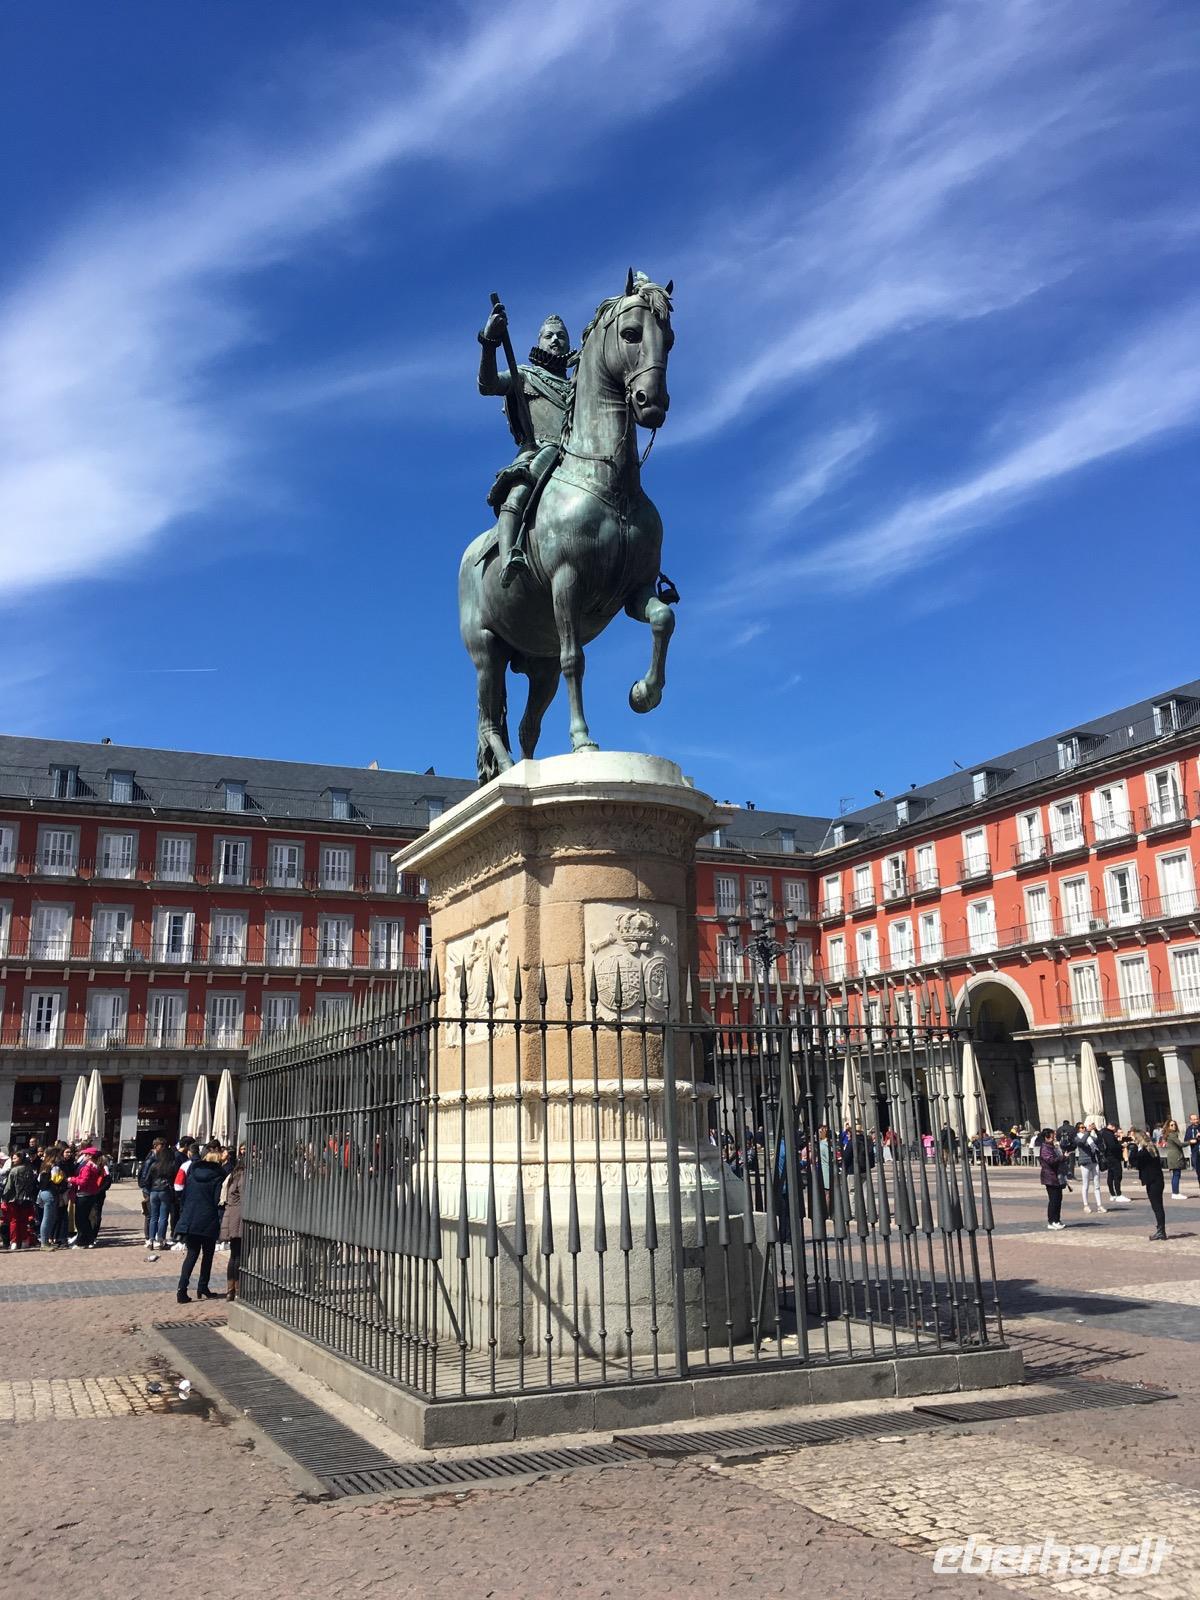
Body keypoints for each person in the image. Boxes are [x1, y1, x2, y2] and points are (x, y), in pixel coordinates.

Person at [477, 300, 574, 588]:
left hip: (578, 454)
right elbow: (488, 384)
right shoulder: (524, 376)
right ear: (540, 342)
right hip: (540, 451)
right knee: (519, 492)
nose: (556, 340)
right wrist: (490, 341)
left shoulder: (581, 385)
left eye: (561, 336)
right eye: (549, 335)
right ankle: (510, 556)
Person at [176, 1145, 232, 1303]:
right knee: (207, 1255)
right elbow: (217, 1201)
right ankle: (202, 1286)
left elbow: (184, 1196)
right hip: (208, 1219)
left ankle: (182, 1288)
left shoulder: (193, 1174)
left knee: (191, 1255)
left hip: (191, 1219)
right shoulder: (217, 1177)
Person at [1126, 1130, 1168, 1240]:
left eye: (1134, 1138)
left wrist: (1132, 1149)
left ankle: (1161, 1231)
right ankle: (1161, 1229)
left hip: (1153, 1181)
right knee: (1158, 1206)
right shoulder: (1152, 1148)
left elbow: (1134, 1163)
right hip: (1157, 1180)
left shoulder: (1144, 1151)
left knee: (1157, 1207)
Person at [67, 1146, 106, 1248]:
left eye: (86, 1154)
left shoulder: (88, 1167)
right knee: (85, 1219)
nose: (84, 1156)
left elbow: (83, 1181)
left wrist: (72, 1179)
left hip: (83, 1195)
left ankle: (82, 1242)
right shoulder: (95, 1166)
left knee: (80, 1220)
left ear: (90, 1156)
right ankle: (89, 1240)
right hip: (90, 1194)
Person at [219, 1150, 245, 1302]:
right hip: (238, 1218)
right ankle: (237, 1289)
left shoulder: (232, 1176)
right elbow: (244, 1196)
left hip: (231, 1217)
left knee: (234, 1255)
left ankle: (231, 1289)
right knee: (239, 1255)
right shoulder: (241, 1176)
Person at [2, 1152, 39, 1250]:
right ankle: (24, 1241)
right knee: (23, 1221)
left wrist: (4, 1198)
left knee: (14, 1220)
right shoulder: (31, 1170)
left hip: (14, 1199)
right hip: (27, 1198)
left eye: (14, 1158)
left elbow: (9, 1187)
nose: (13, 1160)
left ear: (20, 1159)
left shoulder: (14, 1170)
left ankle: (14, 1242)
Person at [143, 1140, 176, 1250]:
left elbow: (146, 1180)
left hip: (153, 1191)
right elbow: (174, 1180)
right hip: (165, 1190)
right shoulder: (171, 1165)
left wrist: (149, 1188)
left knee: (153, 1217)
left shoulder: (154, 1165)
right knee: (163, 1217)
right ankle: (161, 1239)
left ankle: (151, 1240)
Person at [1073, 1120, 1106, 1215]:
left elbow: (1099, 1140)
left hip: (1094, 1161)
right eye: (1082, 1127)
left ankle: (1099, 1205)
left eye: (1084, 1127)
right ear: (1078, 1129)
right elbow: (1081, 1143)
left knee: (1097, 1184)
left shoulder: (1090, 1137)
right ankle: (1086, 1205)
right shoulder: (1077, 1138)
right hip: (1085, 1162)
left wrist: (1096, 1130)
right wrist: (1088, 1131)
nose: (1084, 1129)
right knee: (1086, 1184)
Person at [1038, 1128, 1068, 1229]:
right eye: (1053, 1135)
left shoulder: (1052, 1146)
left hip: (1056, 1176)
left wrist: (1062, 1155)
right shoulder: (1045, 1148)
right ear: (1047, 1137)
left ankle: (1057, 1219)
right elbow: (1050, 1161)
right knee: (1053, 1200)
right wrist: (1062, 1157)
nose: (1054, 1137)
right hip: (1050, 1177)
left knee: (1058, 1199)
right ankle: (1051, 1221)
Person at [36, 1155, 65, 1249]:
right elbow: (57, 1180)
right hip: (50, 1192)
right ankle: (44, 1243)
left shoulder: (44, 1166)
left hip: (43, 1192)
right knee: (48, 1218)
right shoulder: (55, 1167)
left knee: (48, 1218)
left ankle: (45, 1241)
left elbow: (38, 1179)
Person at [1099, 1121, 1129, 1203]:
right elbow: (1112, 1146)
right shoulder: (1109, 1134)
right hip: (1113, 1157)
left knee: (1111, 1175)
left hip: (1108, 1157)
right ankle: (1118, 1194)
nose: (1115, 1130)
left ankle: (1112, 1194)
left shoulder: (1102, 1132)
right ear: (1112, 1126)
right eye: (1115, 1128)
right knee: (1117, 1175)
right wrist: (1122, 1146)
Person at [1160, 1119, 1187, 1199]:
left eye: (1174, 1124)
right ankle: (1175, 1193)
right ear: (1168, 1126)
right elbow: (1180, 1144)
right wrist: (1190, 1142)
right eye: (1171, 1125)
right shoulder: (1172, 1135)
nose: (1174, 1126)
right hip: (1175, 1156)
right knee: (1176, 1174)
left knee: (1176, 1174)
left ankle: (1175, 1192)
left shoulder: (1170, 1135)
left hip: (1173, 1155)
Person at [1185, 1112, 1200, 1194]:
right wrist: (1192, 1139)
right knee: (1198, 1169)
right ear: (1191, 1120)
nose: (1196, 1120)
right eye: (1194, 1119)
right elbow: (1186, 1139)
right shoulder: (1189, 1129)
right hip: (1195, 1151)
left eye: (1197, 1119)